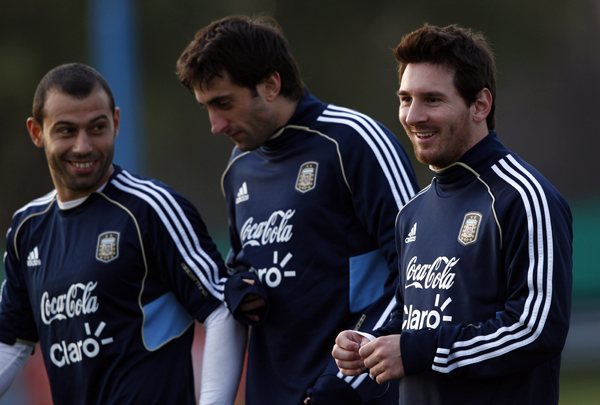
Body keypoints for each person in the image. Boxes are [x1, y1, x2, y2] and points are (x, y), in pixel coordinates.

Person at [176, 15, 419, 405]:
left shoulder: (354, 142)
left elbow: (416, 274)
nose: (215, 125)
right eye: (206, 107)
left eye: (224, 103)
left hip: (350, 395)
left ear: (271, 85)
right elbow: (244, 266)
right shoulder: (238, 169)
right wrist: (241, 289)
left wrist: (344, 384)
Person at [332, 23, 573, 404]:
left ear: (480, 105)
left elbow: (535, 331)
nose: (412, 116)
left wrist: (416, 351)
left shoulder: (525, 197)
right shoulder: (411, 212)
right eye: (405, 99)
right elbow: (416, 321)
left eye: (432, 99)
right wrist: (372, 343)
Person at [0, 63, 246, 404]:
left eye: (97, 128)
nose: (83, 147)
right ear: (36, 132)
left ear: (116, 122)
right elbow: (11, 342)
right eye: (66, 131)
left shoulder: (151, 209)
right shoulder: (27, 227)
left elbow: (221, 310)